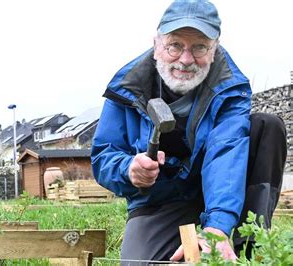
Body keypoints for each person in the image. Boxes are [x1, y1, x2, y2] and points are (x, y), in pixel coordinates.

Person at [91, 0, 287, 264]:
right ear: (157, 44)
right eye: (175, 45)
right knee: (139, 263)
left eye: (199, 47)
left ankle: (248, 247)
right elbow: (103, 156)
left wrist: (217, 227)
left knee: (267, 126)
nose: (186, 59)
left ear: (214, 48)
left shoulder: (229, 86)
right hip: (159, 202)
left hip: (216, 191)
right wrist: (129, 169)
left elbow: (225, 153)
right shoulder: (127, 87)